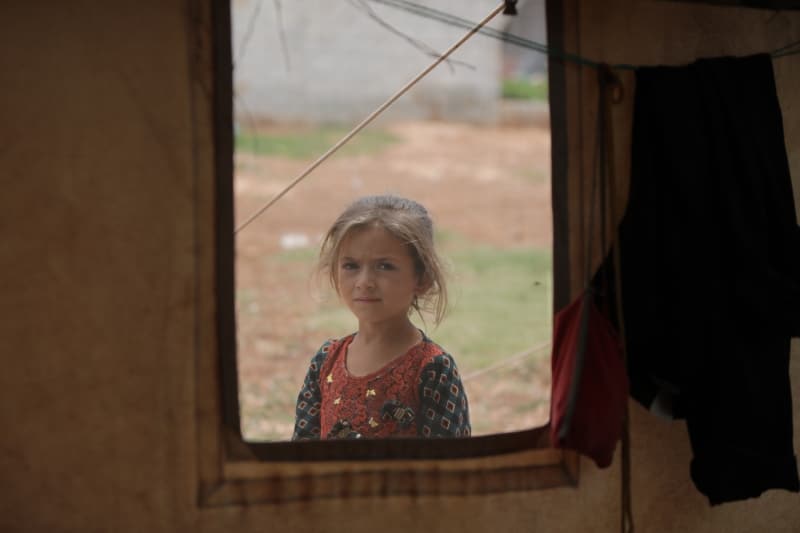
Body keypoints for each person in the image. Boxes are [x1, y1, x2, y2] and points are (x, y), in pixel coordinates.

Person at [292, 194, 471, 440]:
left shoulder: (432, 369)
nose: (364, 282)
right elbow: (302, 456)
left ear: (422, 279)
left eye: (385, 266)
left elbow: (449, 468)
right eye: (351, 266)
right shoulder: (325, 362)